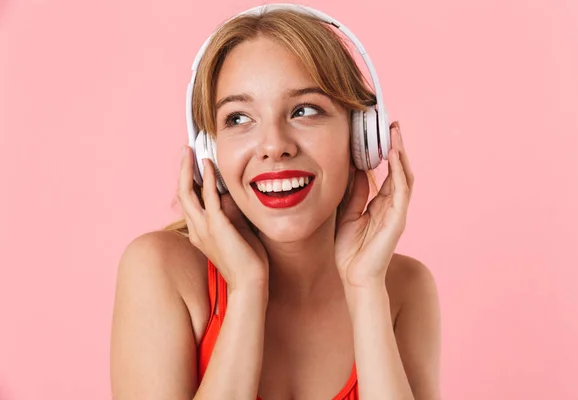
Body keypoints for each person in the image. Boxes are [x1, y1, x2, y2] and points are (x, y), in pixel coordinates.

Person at [110, 5, 441, 400]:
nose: (274, 146)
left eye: (305, 110)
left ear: (360, 138)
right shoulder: (161, 271)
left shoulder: (403, 289)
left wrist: (365, 287)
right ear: (209, 155)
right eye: (238, 119)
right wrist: (247, 291)